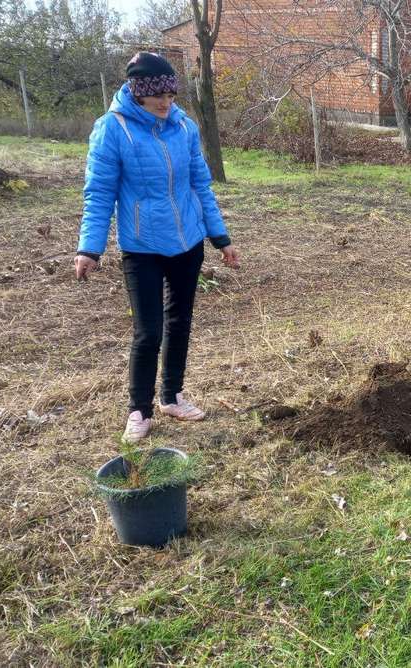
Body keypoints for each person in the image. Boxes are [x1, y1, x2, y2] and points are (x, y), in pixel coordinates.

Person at [75, 52, 239, 443]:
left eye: (170, 94)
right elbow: (99, 194)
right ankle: (139, 410)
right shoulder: (112, 129)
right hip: (141, 246)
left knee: (179, 322)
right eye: (156, 96)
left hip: (188, 243)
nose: (165, 103)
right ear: (138, 93)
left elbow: (201, 185)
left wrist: (221, 238)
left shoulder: (184, 127)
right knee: (148, 331)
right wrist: (89, 248)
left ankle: (171, 396)